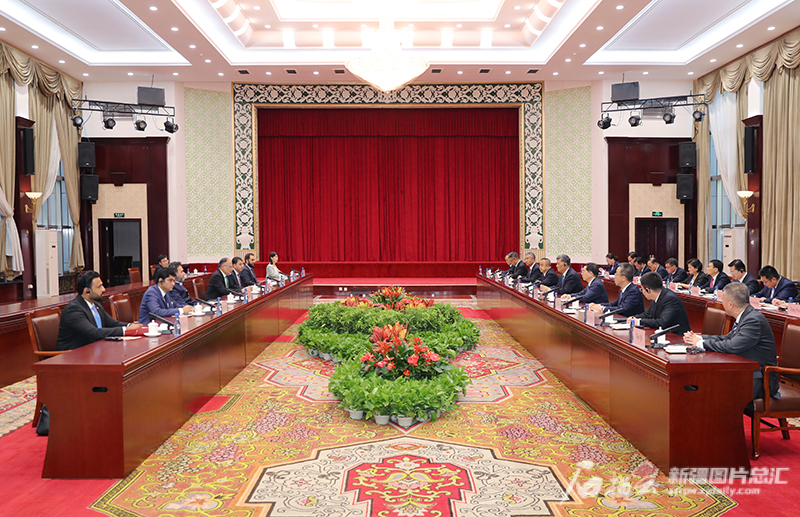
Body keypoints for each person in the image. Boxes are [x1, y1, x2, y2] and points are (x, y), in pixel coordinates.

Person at [684, 283, 779, 402]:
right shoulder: (746, 316)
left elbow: (732, 346)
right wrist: (699, 338)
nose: (721, 303)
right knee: (700, 383)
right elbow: (726, 339)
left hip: (758, 378)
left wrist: (701, 343)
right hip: (743, 371)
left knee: (709, 390)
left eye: (722, 300)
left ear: (730, 304)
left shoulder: (752, 320)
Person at [56, 271, 143, 351]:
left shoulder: (96, 305)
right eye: (99, 287)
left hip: (94, 351)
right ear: (87, 291)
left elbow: (113, 324)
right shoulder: (73, 310)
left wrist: (131, 326)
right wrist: (125, 330)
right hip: (74, 355)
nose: (103, 289)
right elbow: (94, 332)